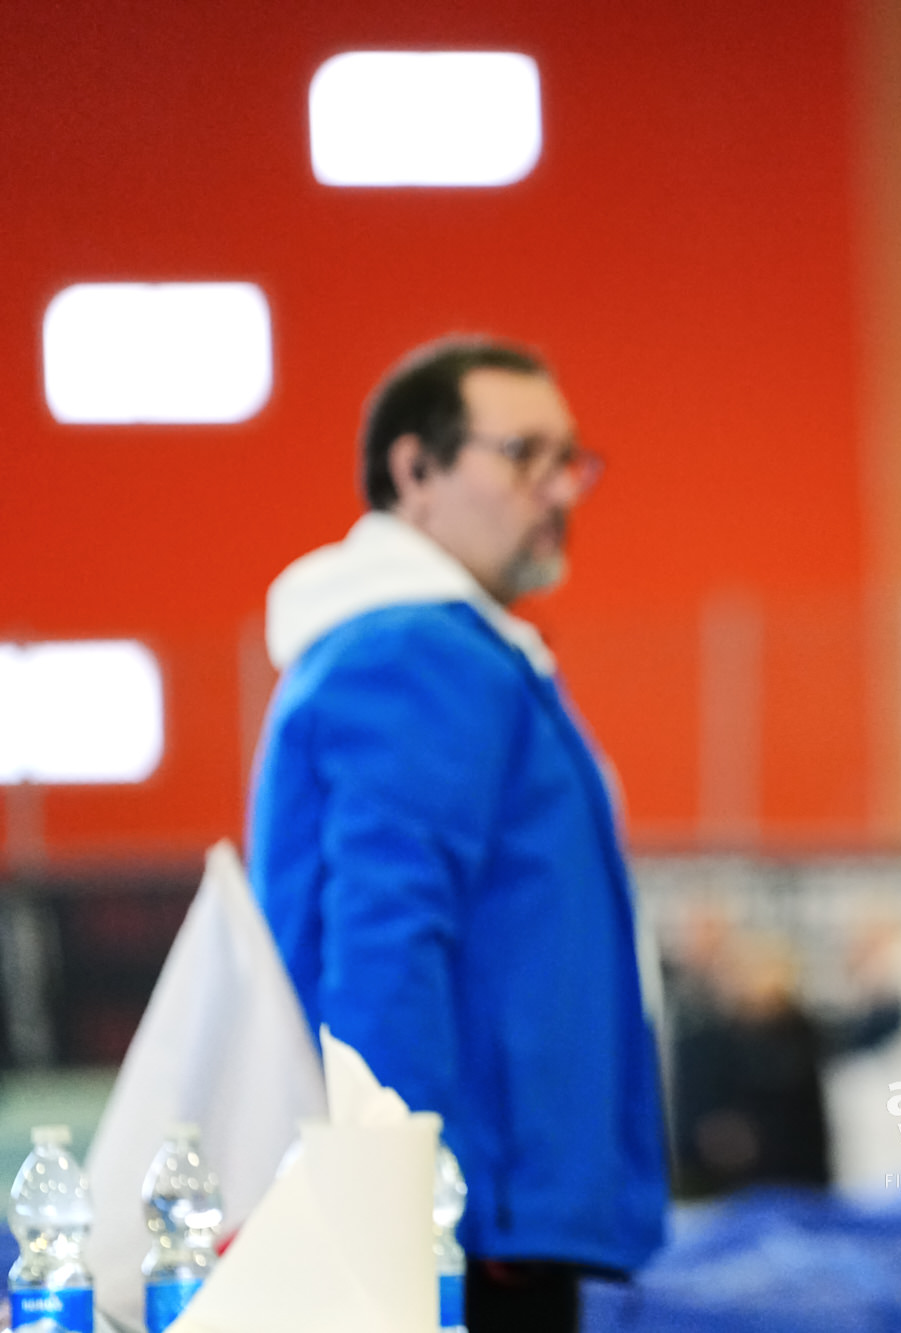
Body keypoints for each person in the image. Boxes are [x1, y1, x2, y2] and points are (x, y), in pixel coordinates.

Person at [248, 338, 666, 1333]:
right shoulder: (416, 651)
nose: (558, 489)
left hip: (485, 1213)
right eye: (523, 454)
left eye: (570, 460)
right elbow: (384, 943)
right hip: (468, 1229)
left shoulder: (453, 650)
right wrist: (406, 1211)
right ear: (415, 471)